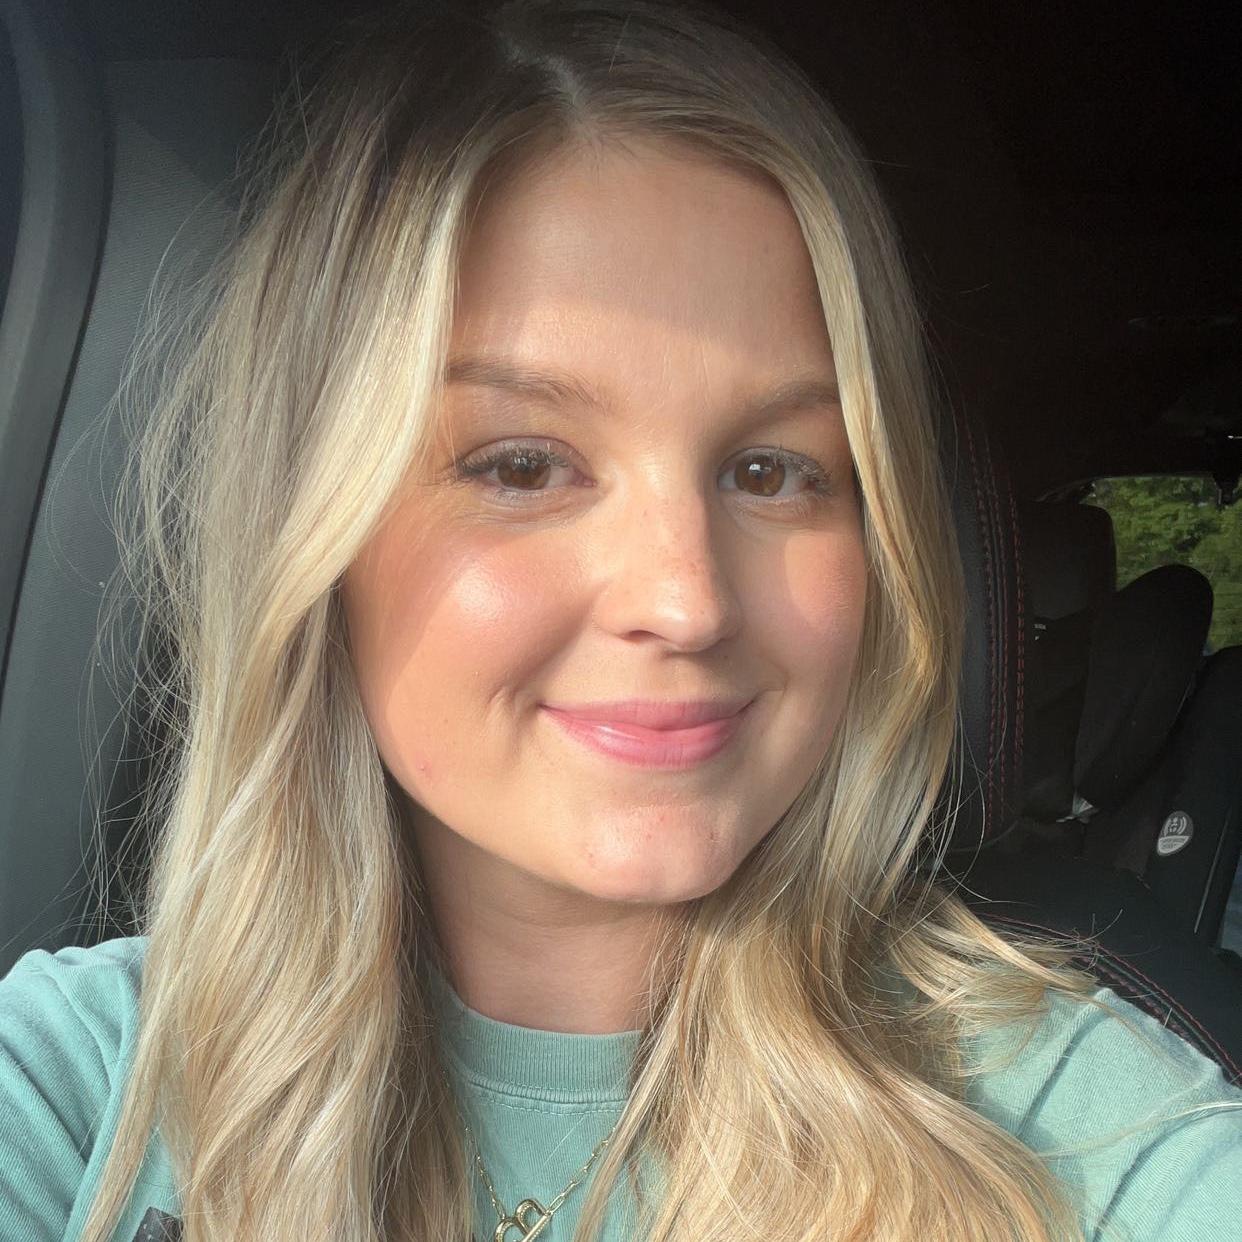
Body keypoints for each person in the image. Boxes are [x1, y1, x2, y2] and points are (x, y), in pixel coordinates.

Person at [1, 1, 1240, 1239]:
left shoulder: (1087, 1133)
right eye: (524, 465)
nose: (686, 601)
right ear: (315, 528)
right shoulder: (73, 1085)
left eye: (772, 471)